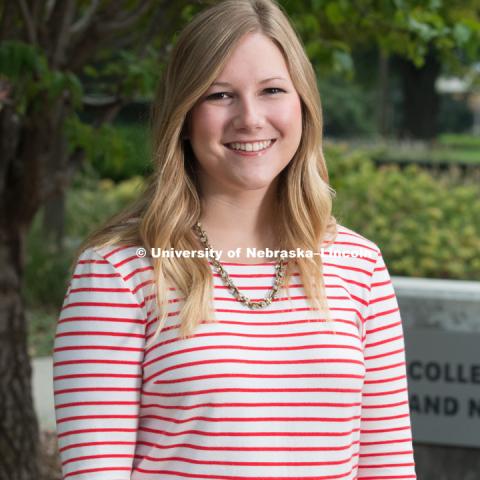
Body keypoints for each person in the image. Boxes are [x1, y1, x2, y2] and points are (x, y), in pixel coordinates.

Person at [53, 0, 417, 479]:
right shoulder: (119, 272)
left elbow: (388, 469)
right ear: (182, 117)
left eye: (271, 90)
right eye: (220, 95)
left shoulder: (359, 264)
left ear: (303, 104)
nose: (250, 118)